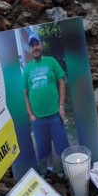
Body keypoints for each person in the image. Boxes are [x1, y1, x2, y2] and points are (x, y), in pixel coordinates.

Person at [23, 35, 69, 175]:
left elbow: (61, 82)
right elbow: (25, 93)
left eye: (37, 44)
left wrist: (61, 107)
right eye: (32, 45)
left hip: (55, 113)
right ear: (30, 49)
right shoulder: (27, 69)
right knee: (44, 147)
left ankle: (64, 170)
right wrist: (31, 115)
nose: (35, 47)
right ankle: (49, 169)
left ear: (41, 46)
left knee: (61, 144)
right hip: (38, 118)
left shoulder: (51, 61)